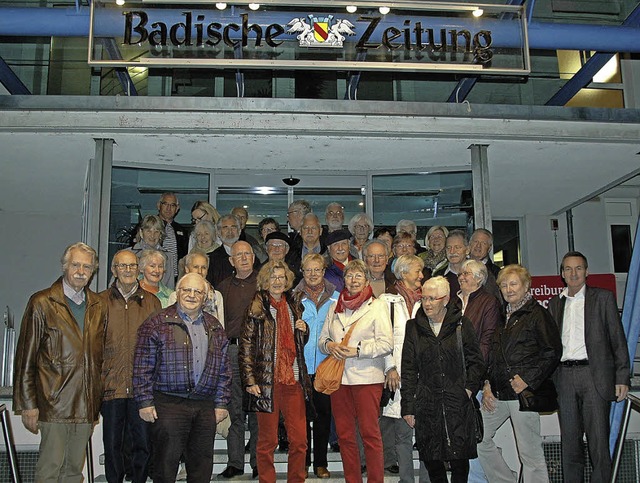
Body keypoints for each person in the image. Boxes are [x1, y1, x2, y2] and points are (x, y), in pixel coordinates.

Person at [13, 242, 108, 482]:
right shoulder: (42, 303)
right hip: (52, 404)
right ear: (65, 266)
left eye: (87, 266)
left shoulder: (99, 306)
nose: (80, 271)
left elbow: (102, 355)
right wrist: (28, 404)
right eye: (75, 264)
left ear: (93, 270)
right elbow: (26, 357)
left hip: (85, 404)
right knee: (49, 471)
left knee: (74, 472)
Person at [133, 273, 232, 483]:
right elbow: (142, 365)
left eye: (198, 291)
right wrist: (144, 402)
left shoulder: (215, 326)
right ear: (177, 293)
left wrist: (221, 403)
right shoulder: (156, 323)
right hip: (169, 403)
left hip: (204, 404)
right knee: (165, 464)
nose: (192, 295)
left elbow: (224, 369)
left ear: (205, 297)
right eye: (187, 290)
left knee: (201, 466)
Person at [548, 251, 630, 483]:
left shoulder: (603, 298)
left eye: (578, 268)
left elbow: (617, 339)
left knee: (598, 444)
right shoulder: (555, 303)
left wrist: (622, 376)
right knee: (570, 444)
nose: (573, 273)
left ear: (587, 271)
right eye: (568, 269)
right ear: (562, 274)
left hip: (594, 377)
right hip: (564, 378)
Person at [478, 264, 562, 483]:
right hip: (497, 393)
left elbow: (552, 351)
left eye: (514, 284)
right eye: (504, 285)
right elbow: (494, 354)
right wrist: (487, 384)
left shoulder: (537, 314)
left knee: (530, 455)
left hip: (522, 396)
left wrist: (527, 380)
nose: (509, 289)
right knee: (477, 437)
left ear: (526, 286)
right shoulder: (503, 316)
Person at [401, 276, 484, 483]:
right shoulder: (413, 327)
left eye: (432, 298)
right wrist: (408, 407)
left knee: (459, 460)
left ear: (445, 299)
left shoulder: (461, 325)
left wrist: (468, 389)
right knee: (432, 460)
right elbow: (408, 369)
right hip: (427, 403)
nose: (427, 303)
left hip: (457, 402)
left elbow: (476, 362)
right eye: (424, 298)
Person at [319, 259, 393, 483]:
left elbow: (386, 343)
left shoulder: (377, 305)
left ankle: (375, 480)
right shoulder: (335, 306)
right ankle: (353, 480)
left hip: (367, 378)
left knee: (370, 434)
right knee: (344, 435)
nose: (353, 280)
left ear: (366, 280)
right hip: (339, 379)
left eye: (358, 276)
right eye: (349, 276)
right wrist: (330, 346)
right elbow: (322, 340)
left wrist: (357, 351)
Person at [239, 261, 313, 483]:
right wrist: (250, 380)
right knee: (267, 442)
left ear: (287, 280)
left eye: (281, 277)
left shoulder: (294, 304)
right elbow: (245, 346)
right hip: (266, 382)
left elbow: (296, 343)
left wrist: (304, 330)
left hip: (293, 380)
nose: (278, 281)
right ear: (265, 281)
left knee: (300, 440)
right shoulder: (256, 306)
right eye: (273, 277)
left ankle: (296, 480)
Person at [101, 249, 161, 483]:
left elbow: (160, 346)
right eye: (122, 266)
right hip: (111, 384)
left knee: (143, 444)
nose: (128, 271)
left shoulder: (152, 302)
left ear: (138, 270)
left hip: (142, 388)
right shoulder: (99, 302)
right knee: (113, 445)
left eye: (132, 266)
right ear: (114, 270)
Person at [293, 254, 340, 479]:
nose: (312, 274)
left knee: (323, 417)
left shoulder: (336, 298)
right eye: (308, 270)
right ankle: (302, 462)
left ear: (324, 271)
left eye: (317, 270)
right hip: (299, 367)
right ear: (302, 271)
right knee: (300, 418)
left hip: (325, 367)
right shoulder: (292, 298)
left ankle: (320, 463)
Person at [379, 255, 424, 482]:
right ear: (404, 272)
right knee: (402, 433)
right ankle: (406, 479)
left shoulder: (426, 300)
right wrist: (390, 368)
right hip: (396, 374)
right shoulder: (385, 302)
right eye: (418, 271)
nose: (422, 276)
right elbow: (382, 338)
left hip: (423, 377)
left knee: (425, 435)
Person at [218, 241, 260, 479]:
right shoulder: (222, 288)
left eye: (247, 254)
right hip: (232, 352)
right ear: (231, 261)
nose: (243, 258)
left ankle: (257, 462)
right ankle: (235, 462)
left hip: (257, 353)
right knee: (234, 409)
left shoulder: (263, 285)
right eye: (238, 255)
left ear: (253, 257)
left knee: (256, 411)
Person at [455, 259, 501, 361]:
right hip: (455, 366)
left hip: (476, 365)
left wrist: (476, 367)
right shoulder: (454, 303)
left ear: (479, 278)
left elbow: (488, 340)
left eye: (466, 273)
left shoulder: (489, 302)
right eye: (460, 274)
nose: (461, 277)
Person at [169, 250, 224, 321]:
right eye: (196, 267)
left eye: (203, 267)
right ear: (187, 269)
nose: (200, 271)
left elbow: (220, 327)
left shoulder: (217, 296)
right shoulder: (175, 296)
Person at [209, 214, 259, 286]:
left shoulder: (250, 255)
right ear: (218, 232)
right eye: (225, 228)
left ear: (239, 231)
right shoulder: (212, 259)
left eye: (233, 227)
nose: (230, 231)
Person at [132, 214, 176, 289]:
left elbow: (170, 286)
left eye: (156, 231)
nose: (152, 235)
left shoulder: (168, 257)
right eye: (148, 231)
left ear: (161, 234)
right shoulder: (129, 254)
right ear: (141, 232)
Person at [157, 192, 189, 282]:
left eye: (172, 205)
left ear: (177, 208)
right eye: (165, 204)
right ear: (159, 205)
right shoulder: (149, 226)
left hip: (175, 279)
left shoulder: (182, 230)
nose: (168, 208)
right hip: (154, 275)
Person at [432, 229, 469, 299]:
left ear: (467, 250)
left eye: (457, 247)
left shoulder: (477, 274)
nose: (452, 251)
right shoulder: (438, 276)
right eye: (448, 248)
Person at [287, 213, 326, 278]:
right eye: (306, 228)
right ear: (300, 231)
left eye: (313, 228)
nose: (309, 232)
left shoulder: (329, 252)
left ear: (321, 231)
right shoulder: (290, 254)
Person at [469, 228, 501, 302]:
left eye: (483, 243)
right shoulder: (460, 268)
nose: (478, 246)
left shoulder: (496, 273)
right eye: (476, 241)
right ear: (470, 244)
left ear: (489, 248)